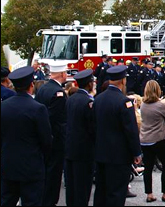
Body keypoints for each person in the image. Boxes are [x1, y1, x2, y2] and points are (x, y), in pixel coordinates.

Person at [1, 67, 52, 206]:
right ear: (31, 85)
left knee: (7, 201)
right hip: (31, 166)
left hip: (8, 165)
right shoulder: (37, 108)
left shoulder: (3, 107)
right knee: (32, 202)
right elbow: (46, 140)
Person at [93, 65, 142, 206]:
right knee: (116, 192)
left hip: (101, 152)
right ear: (123, 81)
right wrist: (136, 152)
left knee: (101, 190)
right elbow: (130, 130)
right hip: (118, 155)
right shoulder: (124, 101)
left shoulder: (98, 99)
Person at [34, 61, 68, 206]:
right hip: (56, 139)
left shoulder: (43, 88)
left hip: (45, 138)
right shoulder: (58, 92)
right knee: (54, 174)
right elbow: (56, 118)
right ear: (62, 74)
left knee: (47, 172)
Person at [139, 80, 165, 203]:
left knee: (148, 167)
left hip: (144, 139)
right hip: (157, 139)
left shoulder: (143, 104)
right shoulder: (160, 105)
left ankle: (149, 193)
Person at [64, 69, 96, 206]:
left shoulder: (70, 99)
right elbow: (92, 127)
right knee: (83, 188)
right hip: (84, 151)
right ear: (89, 84)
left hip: (70, 147)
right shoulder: (88, 102)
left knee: (71, 188)